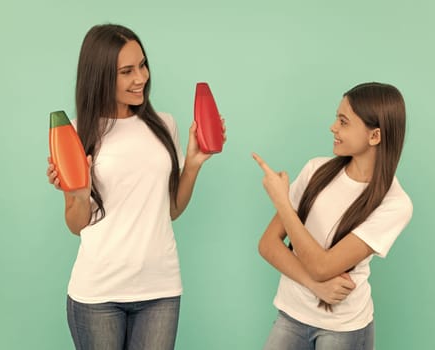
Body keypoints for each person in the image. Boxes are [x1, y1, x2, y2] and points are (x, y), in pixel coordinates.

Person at [46, 24, 225, 350]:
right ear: (100, 76)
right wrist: (78, 194)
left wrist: (194, 164)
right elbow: (76, 225)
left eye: (142, 65)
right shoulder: (76, 133)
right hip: (99, 292)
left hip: (160, 289)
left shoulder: (163, 124)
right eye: (126, 71)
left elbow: (170, 210)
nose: (140, 77)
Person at [253, 82, 413, 350]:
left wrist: (283, 202)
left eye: (343, 121)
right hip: (291, 315)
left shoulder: (395, 204)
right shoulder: (316, 170)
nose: (333, 127)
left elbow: (324, 266)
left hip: (343, 329)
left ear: (375, 136)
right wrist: (314, 286)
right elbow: (267, 244)